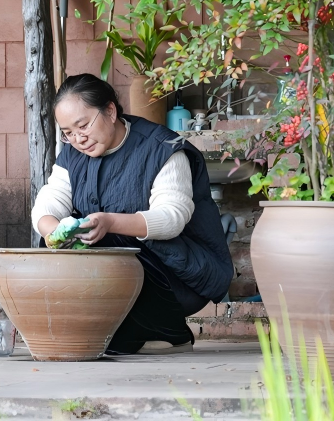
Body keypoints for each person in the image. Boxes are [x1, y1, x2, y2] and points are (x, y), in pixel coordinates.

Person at [31, 73, 234, 355]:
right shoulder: (72, 154)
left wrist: (110, 222)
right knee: (52, 243)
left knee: (108, 240)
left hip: (181, 276)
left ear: (111, 111)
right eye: (67, 132)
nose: (78, 138)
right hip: (127, 271)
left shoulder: (162, 148)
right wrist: (55, 232)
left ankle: (169, 330)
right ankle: (127, 331)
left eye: (83, 125)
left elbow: (172, 217)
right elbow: (48, 204)